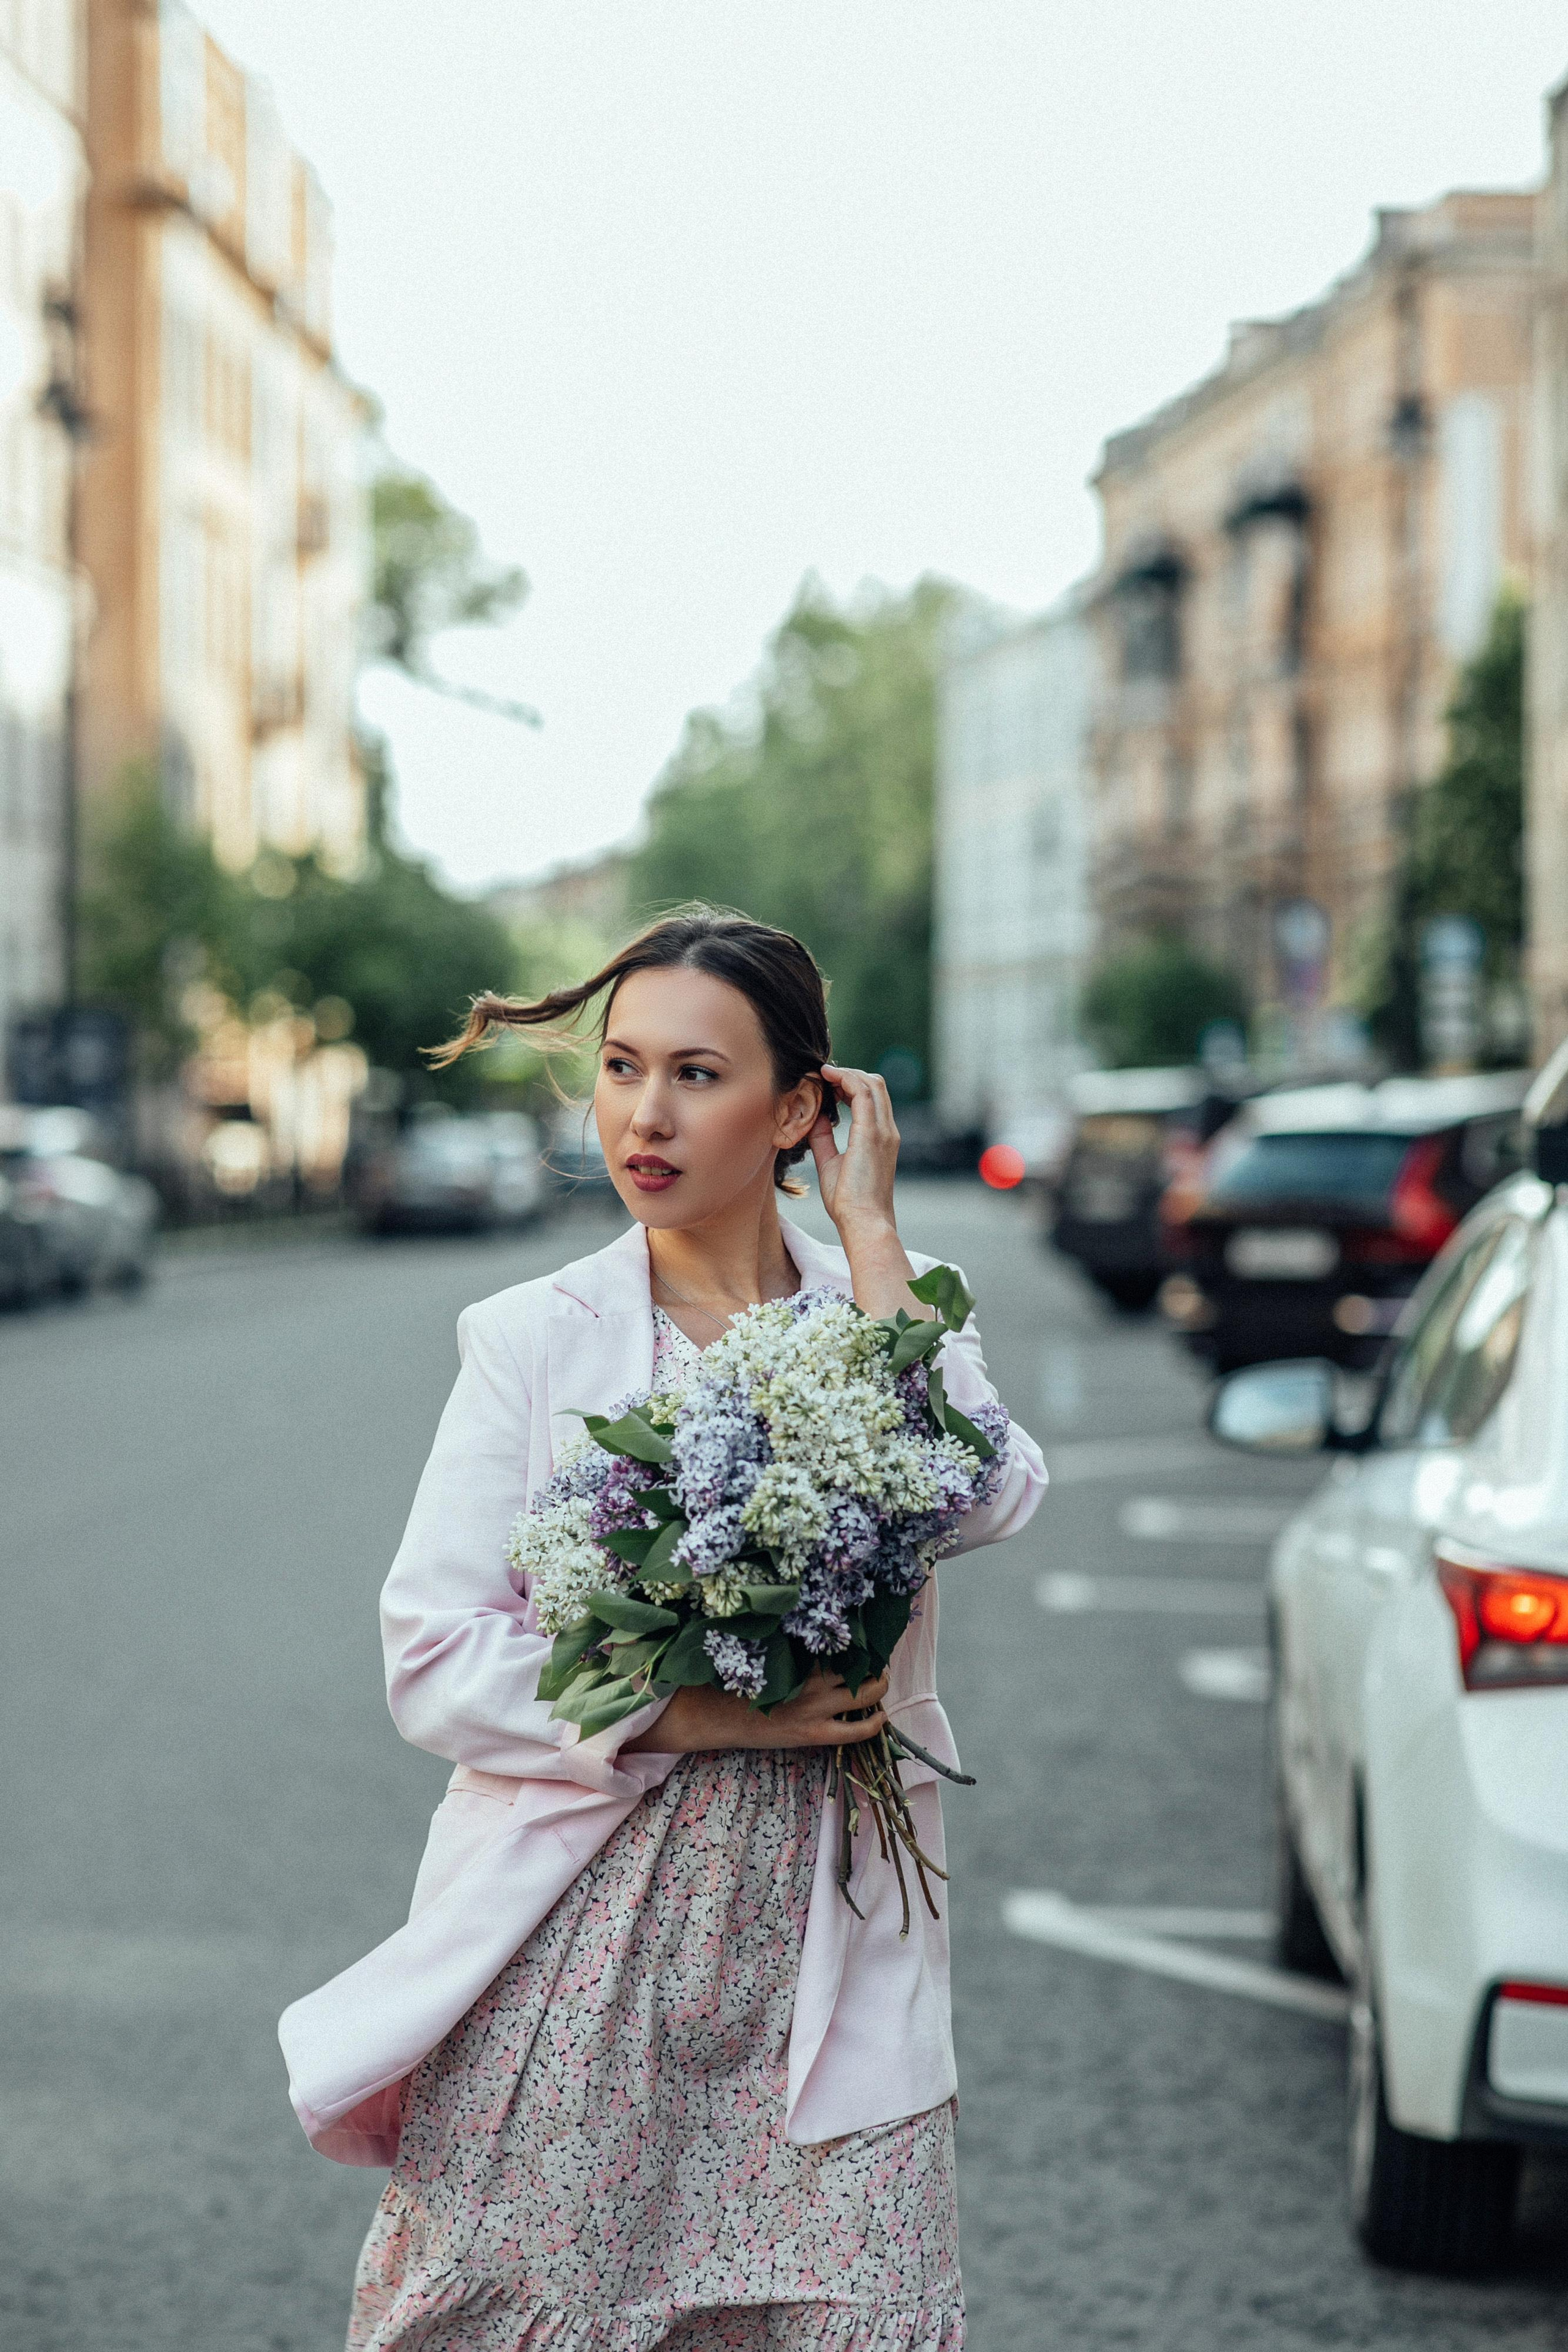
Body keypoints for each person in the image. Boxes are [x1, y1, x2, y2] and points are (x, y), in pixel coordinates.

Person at [280, 905, 1046, 2351]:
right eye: (621, 1068)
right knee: (538, 2314)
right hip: (588, 1923)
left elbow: (990, 1491)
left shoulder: (880, 1310)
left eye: (696, 1074)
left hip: (828, 1909)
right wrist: (686, 1707)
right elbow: (434, 1654)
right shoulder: (532, 1338)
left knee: (856, 2312)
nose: (643, 1113)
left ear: (799, 1109)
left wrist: (871, 1236)